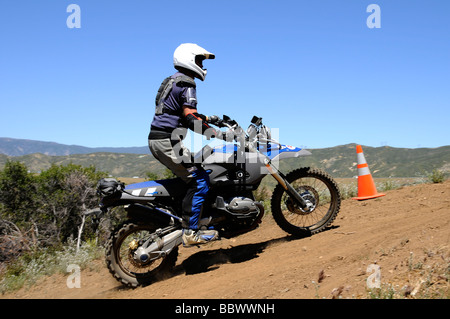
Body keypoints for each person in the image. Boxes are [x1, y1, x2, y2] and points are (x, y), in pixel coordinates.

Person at [148, 43, 229, 246]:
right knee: (199, 180)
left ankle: (197, 217)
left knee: (194, 173)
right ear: (189, 59)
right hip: (168, 141)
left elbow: (181, 114)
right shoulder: (188, 83)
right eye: (200, 60)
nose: (202, 65)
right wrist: (217, 133)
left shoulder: (173, 80)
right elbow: (191, 119)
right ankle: (190, 232)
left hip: (160, 138)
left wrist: (209, 118)